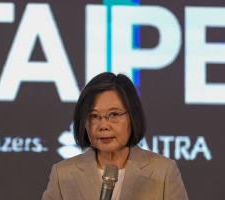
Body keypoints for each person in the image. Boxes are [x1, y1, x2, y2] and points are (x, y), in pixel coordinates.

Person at [42, 72, 188, 200]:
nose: (103, 125)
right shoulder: (63, 175)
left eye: (114, 114)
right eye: (94, 116)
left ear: (132, 116)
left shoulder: (163, 171)